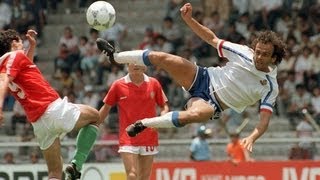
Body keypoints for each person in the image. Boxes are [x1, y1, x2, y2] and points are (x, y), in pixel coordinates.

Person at [96, 2, 286, 153]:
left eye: (264, 54)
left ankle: (143, 124)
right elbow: (212, 39)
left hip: (213, 104)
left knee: (195, 115)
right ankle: (116, 57)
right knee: (163, 58)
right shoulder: (244, 52)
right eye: (258, 52)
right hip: (202, 77)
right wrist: (189, 20)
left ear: (274, 58)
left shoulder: (270, 86)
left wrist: (252, 137)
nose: (258, 57)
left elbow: (263, 121)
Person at [0, 29, 101, 180]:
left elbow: (24, 71)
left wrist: (32, 48)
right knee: (95, 116)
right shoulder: (14, 56)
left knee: (54, 173)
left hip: (39, 124)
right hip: (53, 110)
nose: (23, 43)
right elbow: (3, 80)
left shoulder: (8, 62)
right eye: (21, 41)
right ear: (13, 43)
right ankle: (76, 165)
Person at [99, 63, 169, 180]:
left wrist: (162, 117)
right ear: (127, 66)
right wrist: (94, 124)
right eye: (132, 61)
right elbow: (106, 108)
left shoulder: (154, 83)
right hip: (127, 137)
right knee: (131, 175)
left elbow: (164, 106)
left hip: (149, 136)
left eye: (138, 61)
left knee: (144, 178)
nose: (136, 64)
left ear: (145, 67)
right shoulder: (118, 85)